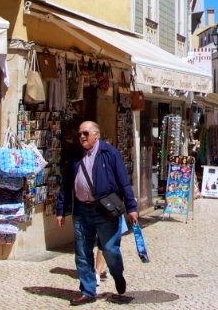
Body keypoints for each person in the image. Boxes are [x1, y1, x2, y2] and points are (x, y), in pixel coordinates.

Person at [56, 121, 139, 305]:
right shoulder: (75, 155)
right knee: (82, 252)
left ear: (96, 134)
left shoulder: (109, 153)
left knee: (110, 249)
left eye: (85, 133)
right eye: (79, 134)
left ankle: (117, 275)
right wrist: (61, 210)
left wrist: (131, 207)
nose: (82, 137)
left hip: (105, 211)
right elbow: (67, 184)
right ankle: (87, 291)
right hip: (81, 210)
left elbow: (124, 181)